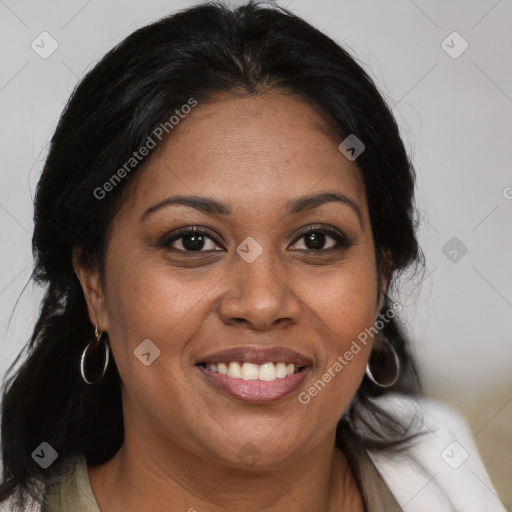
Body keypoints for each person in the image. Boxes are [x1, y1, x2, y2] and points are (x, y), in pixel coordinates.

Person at [0, 2, 504, 511]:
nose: (262, 303)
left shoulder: (443, 466)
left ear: (381, 276)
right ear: (95, 284)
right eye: (193, 241)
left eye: (316, 240)